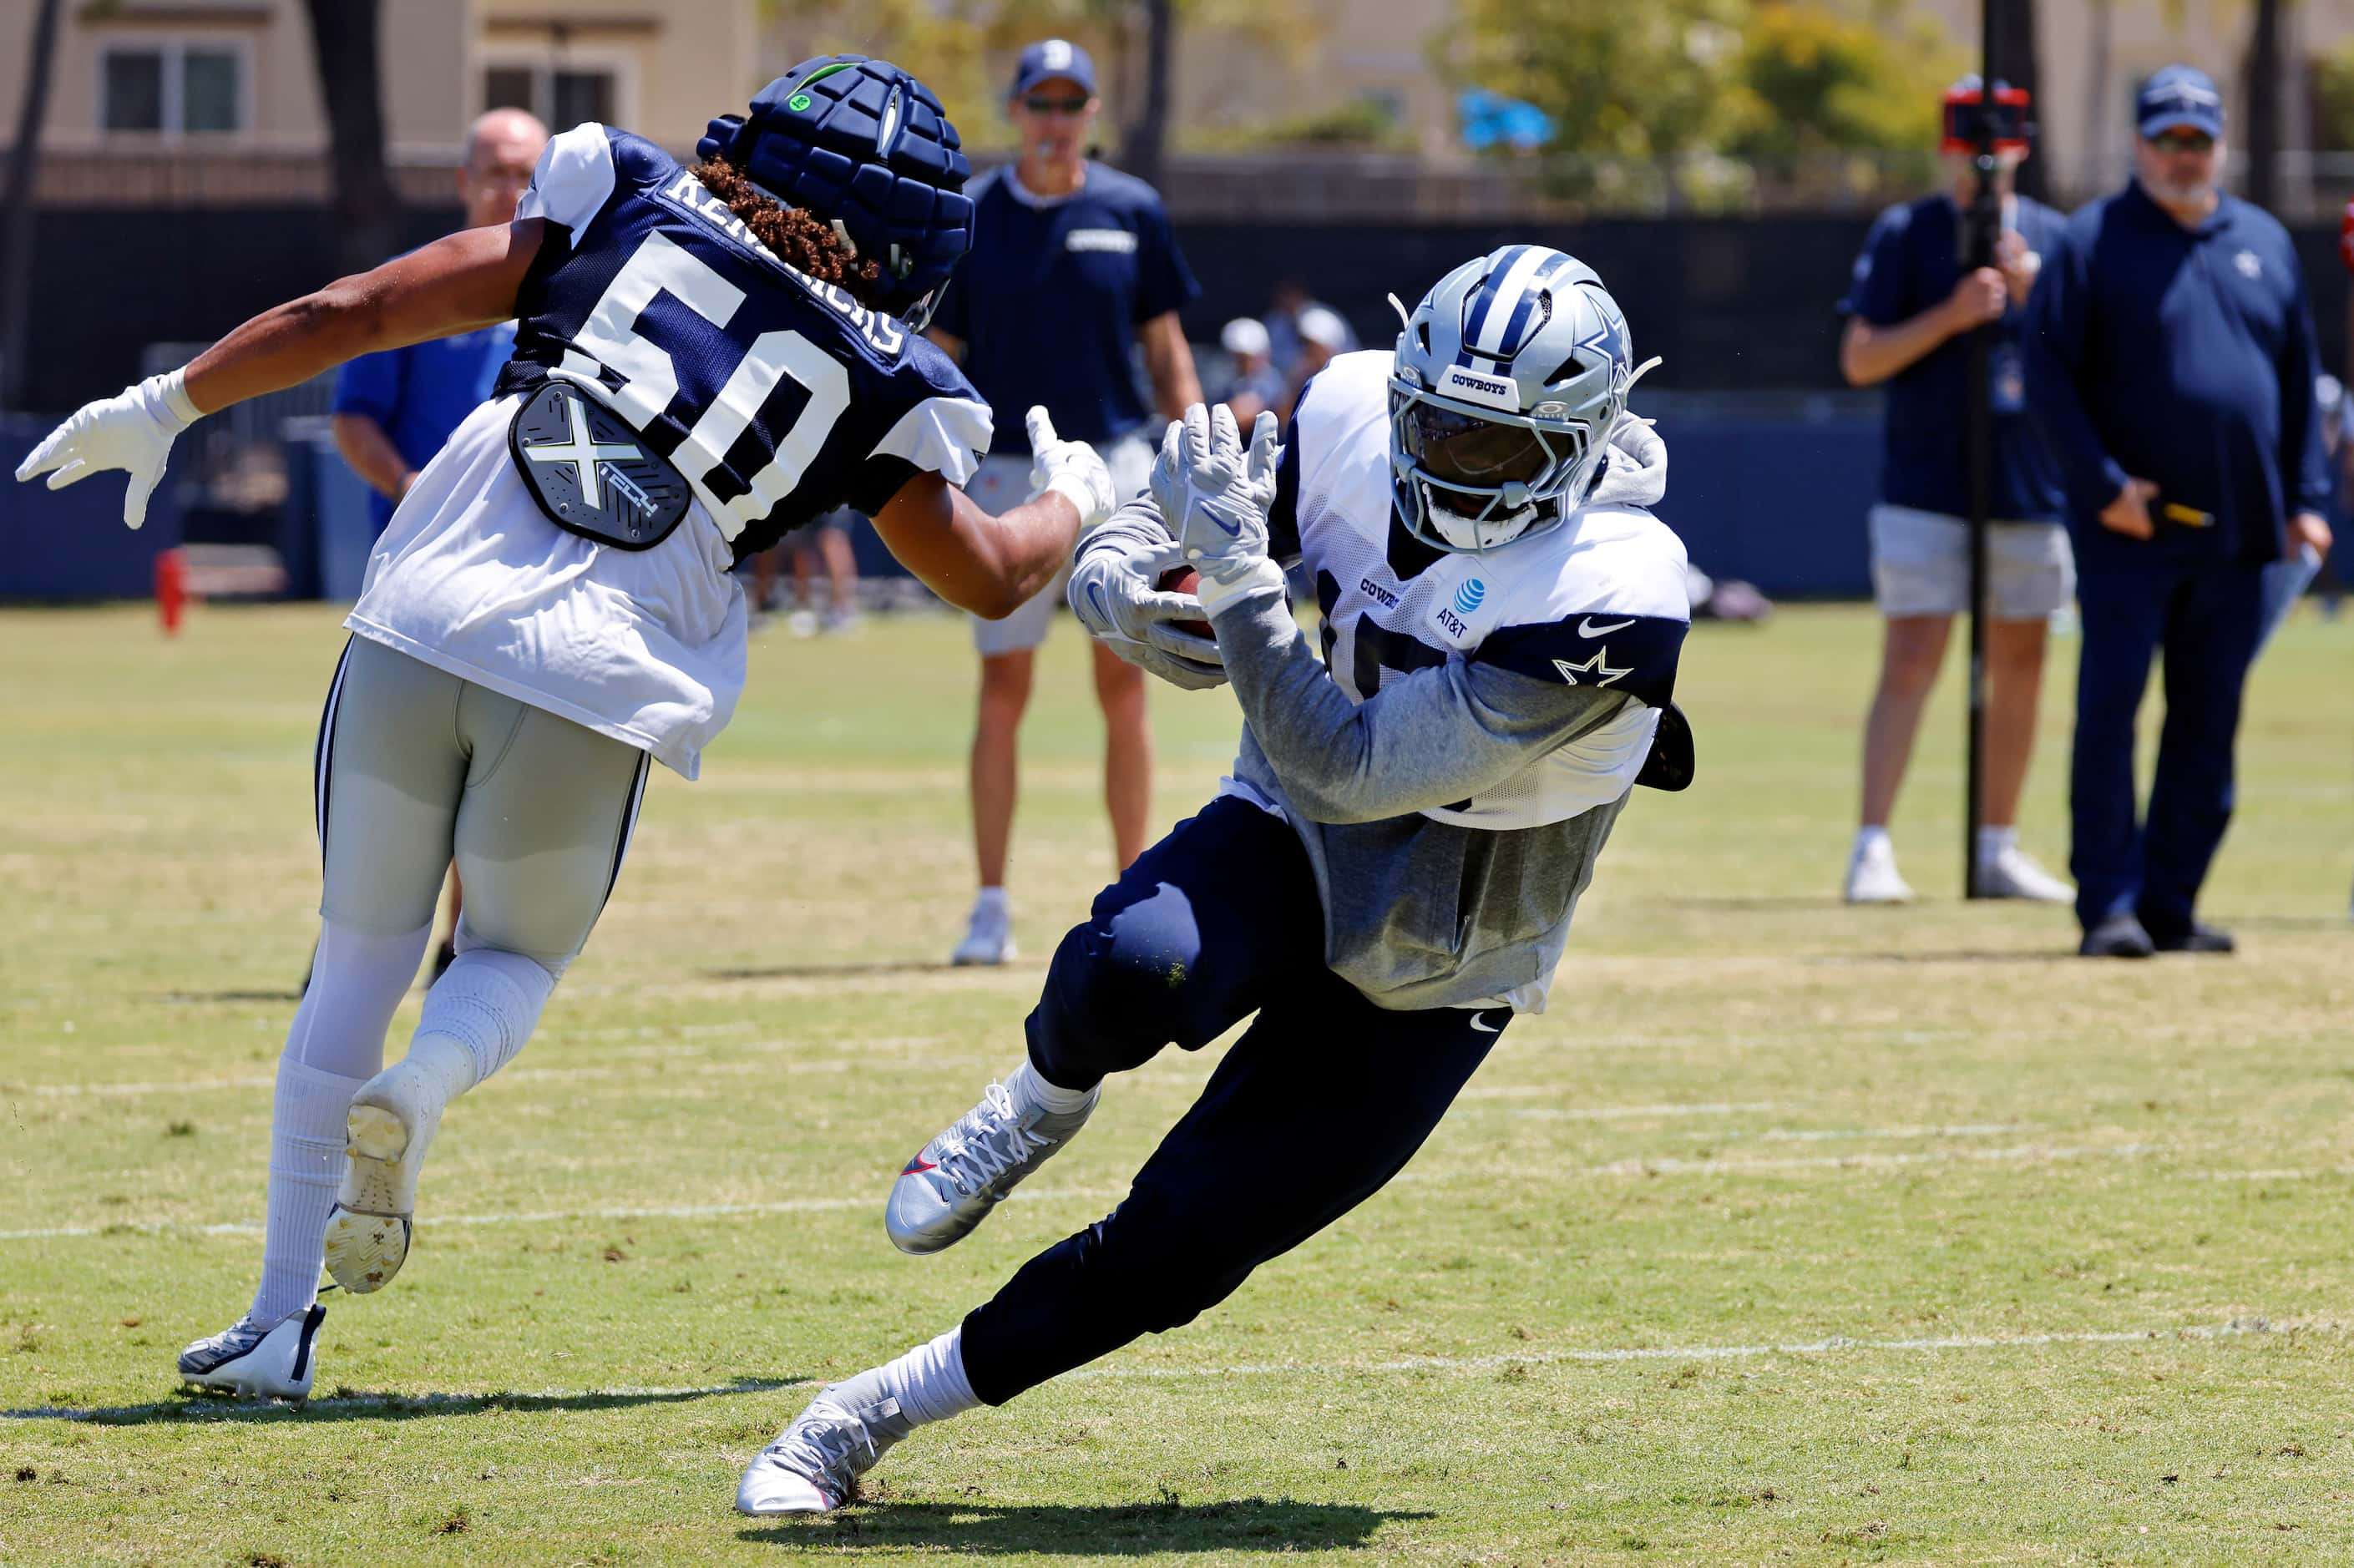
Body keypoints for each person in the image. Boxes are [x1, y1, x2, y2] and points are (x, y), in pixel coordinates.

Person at [14, 53, 1116, 1401]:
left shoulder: (622, 202)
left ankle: (276, 1325)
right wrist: (1077, 497)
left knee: (349, 965)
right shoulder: (884, 379)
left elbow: (354, 309)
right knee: (513, 959)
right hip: (605, 664)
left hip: (425, 610)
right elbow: (992, 573)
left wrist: (165, 404)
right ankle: (424, 1085)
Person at [736, 245, 1696, 1513]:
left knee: (1179, 1243)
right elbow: (1175, 507)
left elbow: (1357, 764)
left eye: (1497, 451)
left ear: (1576, 445)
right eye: (1438, 431)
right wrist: (1117, 582)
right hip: (1290, 827)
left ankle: (869, 1410)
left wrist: (1238, 580)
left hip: (1443, 937)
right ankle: (1034, 1101)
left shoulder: (1612, 587)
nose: (1454, 466)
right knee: (1130, 965)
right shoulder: (1346, 407)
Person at [2022, 65, 2332, 958]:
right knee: (2110, 712)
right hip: (2130, 531)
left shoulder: (2265, 243)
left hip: (2238, 536)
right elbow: (2046, 377)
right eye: (2165, 138)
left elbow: (2293, 380)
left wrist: (2306, 501)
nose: (2180, 156)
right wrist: (2102, 487)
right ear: (2136, 144)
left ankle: (2169, 901)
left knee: (2207, 719)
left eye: (2195, 139)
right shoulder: (2091, 241)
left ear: (2220, 144)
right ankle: (2108, 904)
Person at [928, 38, 1204, 967]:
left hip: (1119, 466)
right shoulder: (971, 212)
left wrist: (1202, 460)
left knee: (1126, 680)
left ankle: (1132, 891)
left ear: (1090, 113)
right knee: (1001, 684)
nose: (1053, 119)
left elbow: (1164, 348)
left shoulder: (1131, 209)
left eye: (1069, 103)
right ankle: (990, 903)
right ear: (1015, 110)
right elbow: (944, 352)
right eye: (1039, 103)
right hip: (1008, 472)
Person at [1835, 78, 2074, 905]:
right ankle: (1871, 846)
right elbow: (1860, 358)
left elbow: (2091, 361)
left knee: (2022, 659)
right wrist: (1950, 313)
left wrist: (2032, 290)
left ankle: (1996, 847)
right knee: (1910, 654)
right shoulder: (1905, 232)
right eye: (1968, 147)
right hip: (1924, 482)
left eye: (1998, 146)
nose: (1981, 165)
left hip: (2028, 483)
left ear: (2021, 148)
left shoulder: (2054, 237)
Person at [330, 107, 550, 978]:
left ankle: (464, 941)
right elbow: (353, 417)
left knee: (501, 765)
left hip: (531, 573)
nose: (507, 186)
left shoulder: (579, 298)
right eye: (493, 169)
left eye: (524, 170)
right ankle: (357, 931)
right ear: (462, 181)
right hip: (416, 577)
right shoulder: (420, 289)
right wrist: (412, 488)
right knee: (388, 768)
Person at [1216, 316, 1286, 426]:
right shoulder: (1231, 382)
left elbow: (1247, 411)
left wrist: (1212, 427)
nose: (1240, 362)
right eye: (1237, 357)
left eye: (1244, 357)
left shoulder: (1271, 381)